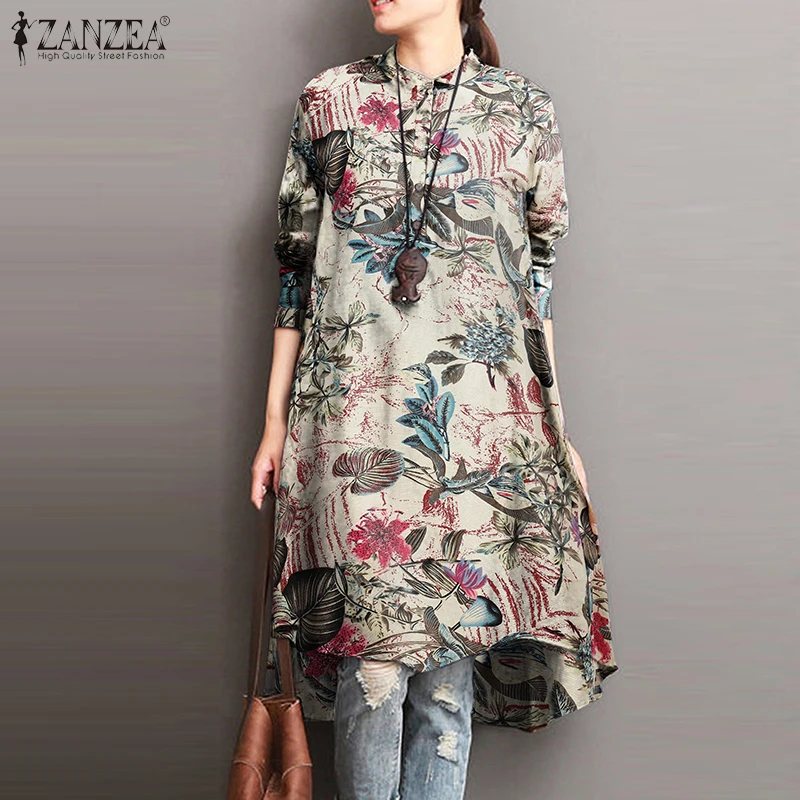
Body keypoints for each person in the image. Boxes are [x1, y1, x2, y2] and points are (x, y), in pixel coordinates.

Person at [251, 1, 619, 798]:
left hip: (484, 440)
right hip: (352, 429)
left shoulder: (521, 110)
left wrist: (557, 431)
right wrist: (274, 421)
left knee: (447, 689)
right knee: (375, 672)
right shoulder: (330, 100)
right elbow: (294, 271)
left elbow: (535, 288)